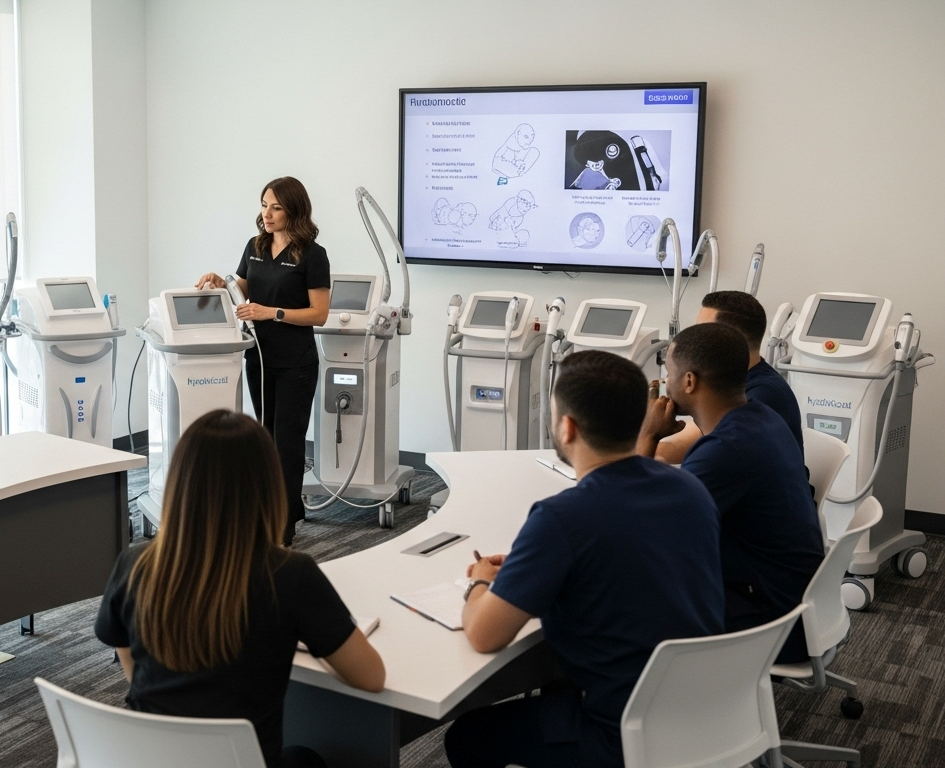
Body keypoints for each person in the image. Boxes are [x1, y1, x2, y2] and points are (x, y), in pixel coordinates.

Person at [444, 351, 723, 768]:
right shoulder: (691, 490)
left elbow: (485, 634)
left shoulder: (562, 517)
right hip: (705, 713)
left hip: (623, 736)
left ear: (567, 427)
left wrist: (481, 581)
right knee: (557, 684)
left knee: (467, 735)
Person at [95, 410, 384, 768]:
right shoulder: (291, 575)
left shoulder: (135, 564)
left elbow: (130, 665)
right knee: (309, 759)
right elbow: (371, 677)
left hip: (150, 759)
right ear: (266, 487)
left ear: (180, 484)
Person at [638, 322, 823, 663]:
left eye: (668, 372)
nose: (665, 381)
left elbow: (642, 530)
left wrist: (648, 436)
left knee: (617, 598)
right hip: (792, 600)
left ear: (689, 381)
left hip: (770, 622)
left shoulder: (727, 449)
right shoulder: (760, 417)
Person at [196, 177, 331, 545]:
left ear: (294, 210)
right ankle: (277, 509)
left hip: (296, 364)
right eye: (263, 205)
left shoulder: (312, 255)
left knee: (287, 443)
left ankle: (282, 527)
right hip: (258, 358)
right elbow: (241, 289)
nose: (266, 214)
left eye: (275, 207)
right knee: (266, 439)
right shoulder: (255, 246)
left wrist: (273, 313)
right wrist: (218, 280)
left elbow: (319, 314)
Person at [656, 290, 804, 464]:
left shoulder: (763, 394)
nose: (692, 341)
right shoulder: (742, 383)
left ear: (728, 339)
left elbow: (696, 444)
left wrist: (642, 439)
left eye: (702, 332)